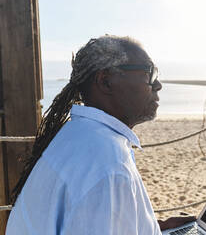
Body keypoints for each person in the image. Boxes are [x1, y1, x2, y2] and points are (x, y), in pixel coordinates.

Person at [6, 35, 194, 234]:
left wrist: (150, 225)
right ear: (105, 82)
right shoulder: (108, 165)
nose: (158, 85)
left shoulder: (79, 136)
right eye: (149, 73)